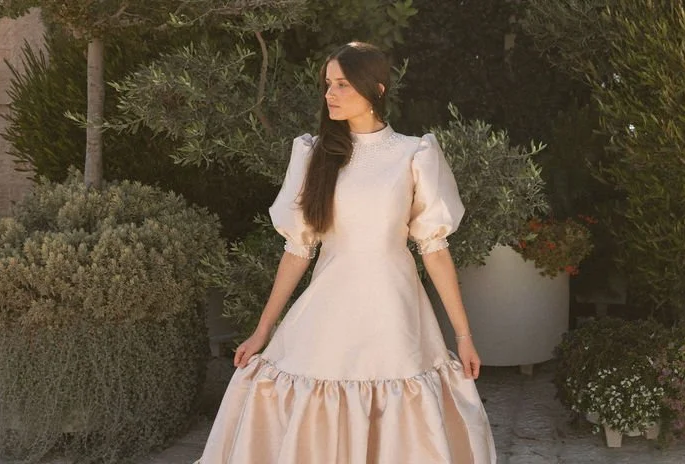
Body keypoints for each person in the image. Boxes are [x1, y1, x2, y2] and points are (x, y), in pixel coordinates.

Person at [196, 42, 496, 464]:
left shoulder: (414, 153)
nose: (329, 94)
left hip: (394, 314)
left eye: (341, 84)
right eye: (327, 84)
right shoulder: (314, 153)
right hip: (329, 310)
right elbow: (298, 250)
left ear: (375, 89)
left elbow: (434, 249)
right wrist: (263, 330)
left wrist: (463, 336)